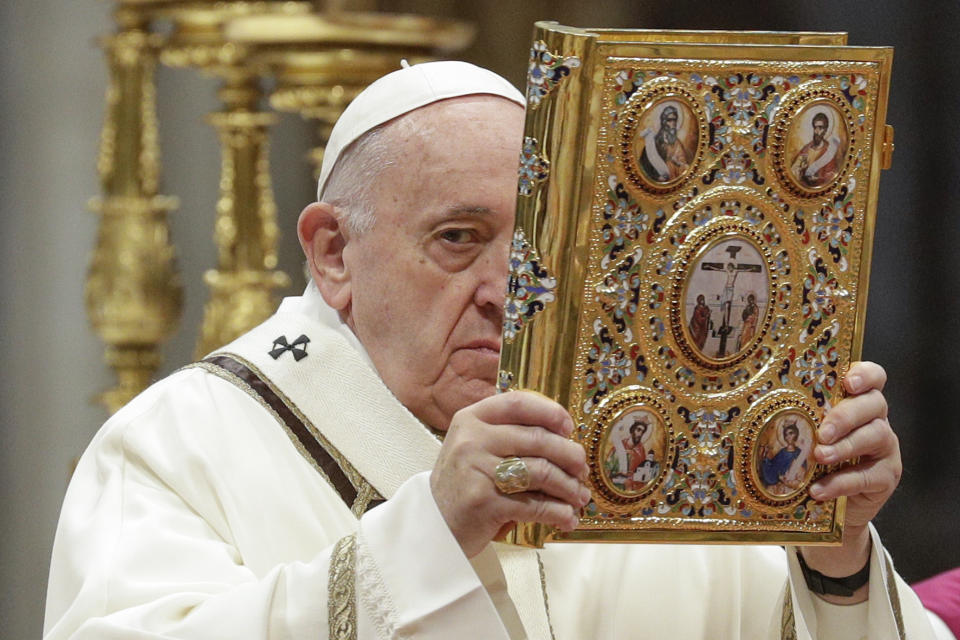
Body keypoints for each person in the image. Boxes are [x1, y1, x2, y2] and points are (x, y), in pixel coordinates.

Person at [44, 61, 933, 639]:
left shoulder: (656, 448)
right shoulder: (183, 444)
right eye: (459, 238)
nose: (514, 293)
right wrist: (428, 537)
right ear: (332, 252)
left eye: (545, 247)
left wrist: (836, 558)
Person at [639, 104, 691, 182]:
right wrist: (656, 177)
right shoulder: (654, 142)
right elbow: (644, 164)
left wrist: (677, 162)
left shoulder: (676, 143)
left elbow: (682, 162)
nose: (673, 123)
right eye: (670, 120)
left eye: (675, 120)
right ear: (664, 121)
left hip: (673, 178)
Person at [790, 111, 840, 188]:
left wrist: (819, 179)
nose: (816, 131)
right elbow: (794, 168)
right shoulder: (807, 148)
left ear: (826, 130)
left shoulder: (829, 151)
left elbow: (831, 175)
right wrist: (800, 170)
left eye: (820, 128)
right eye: (815, 127)